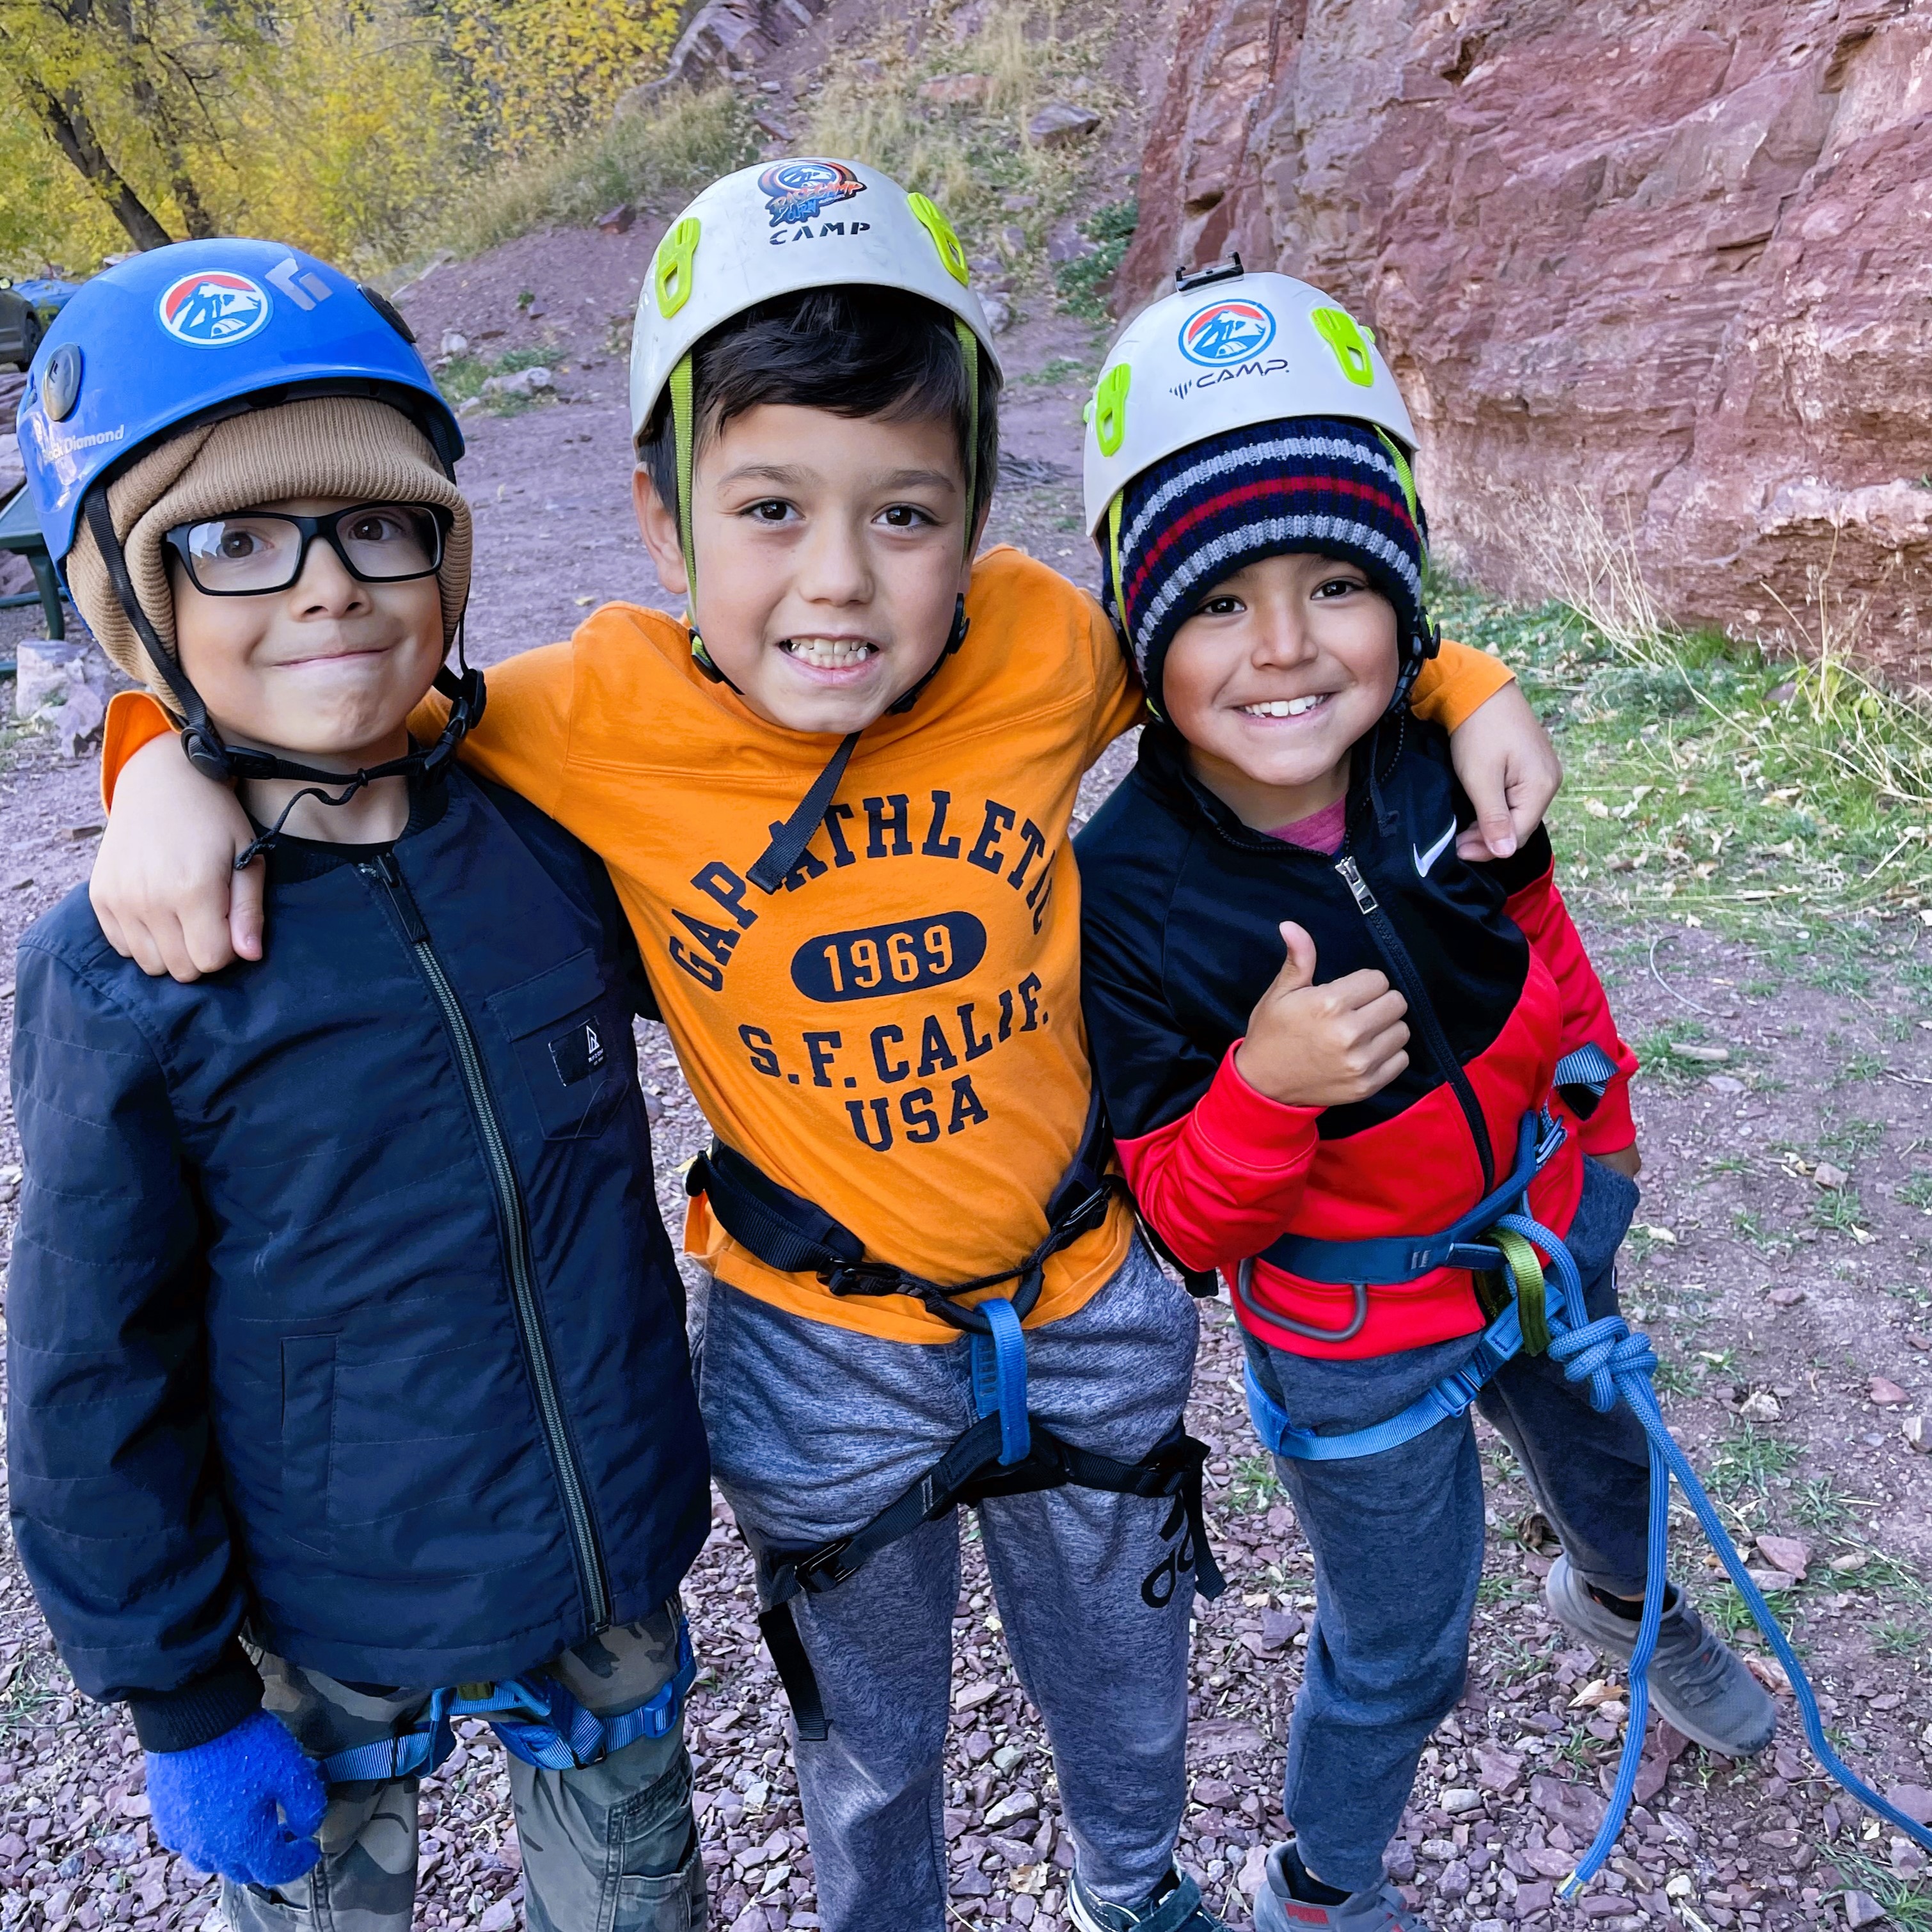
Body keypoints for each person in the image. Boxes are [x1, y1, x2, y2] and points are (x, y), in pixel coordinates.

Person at [83, 170, 1561, 1932]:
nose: (842, 582)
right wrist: (145, 762)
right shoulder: (576, 713)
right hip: (818, 1336)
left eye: (908, 513)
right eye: (769, 507)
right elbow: (312, 701)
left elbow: (1248, 637)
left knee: (1125, 1680)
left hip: (1084, 1298)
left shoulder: (1037, 642)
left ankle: (1128, 1886)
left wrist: (1463, 677)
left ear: (975, 516)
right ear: (659, 520)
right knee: (869, 1734)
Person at [8, 240, 712, 1932]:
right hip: (318, 1618)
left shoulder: (547, 838)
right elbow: (88, 1361)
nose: (327, 588)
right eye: (235, 544)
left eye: (378, 525)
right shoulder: (125, 972)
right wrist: (177, 1696)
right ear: (127, 600)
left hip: (594, 1548)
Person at [1073, 269, 1776, 1932]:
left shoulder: (1442, 754)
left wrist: (1593, 1148)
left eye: (1334, 580)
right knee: (1401, 1641)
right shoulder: (1131, 896)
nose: (1287, 647)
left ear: (1401, 589)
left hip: (1536, 1238)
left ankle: (1626, 1594)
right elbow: (1176, 1214)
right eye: (1218, 601)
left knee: (1616, 1476)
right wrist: (1265, 1086)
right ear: (1136, 626)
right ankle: (1318, 1881)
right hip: (1355, 1330)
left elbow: (1544, 948)